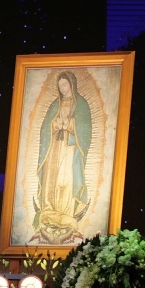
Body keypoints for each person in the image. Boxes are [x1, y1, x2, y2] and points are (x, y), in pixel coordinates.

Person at [33, 71, 92, 245]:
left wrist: (71, 126)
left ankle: (66, 213)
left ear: (72, 85)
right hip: (54, 148)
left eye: (65, 85)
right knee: (51, 177)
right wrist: (54, 125)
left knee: (66, 179)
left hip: (69, 148)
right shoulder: (54, 105)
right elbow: (46, 127)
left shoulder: (81, 104)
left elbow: (85, 128)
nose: (62, 88)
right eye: (60, 86)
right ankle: (49, 210)